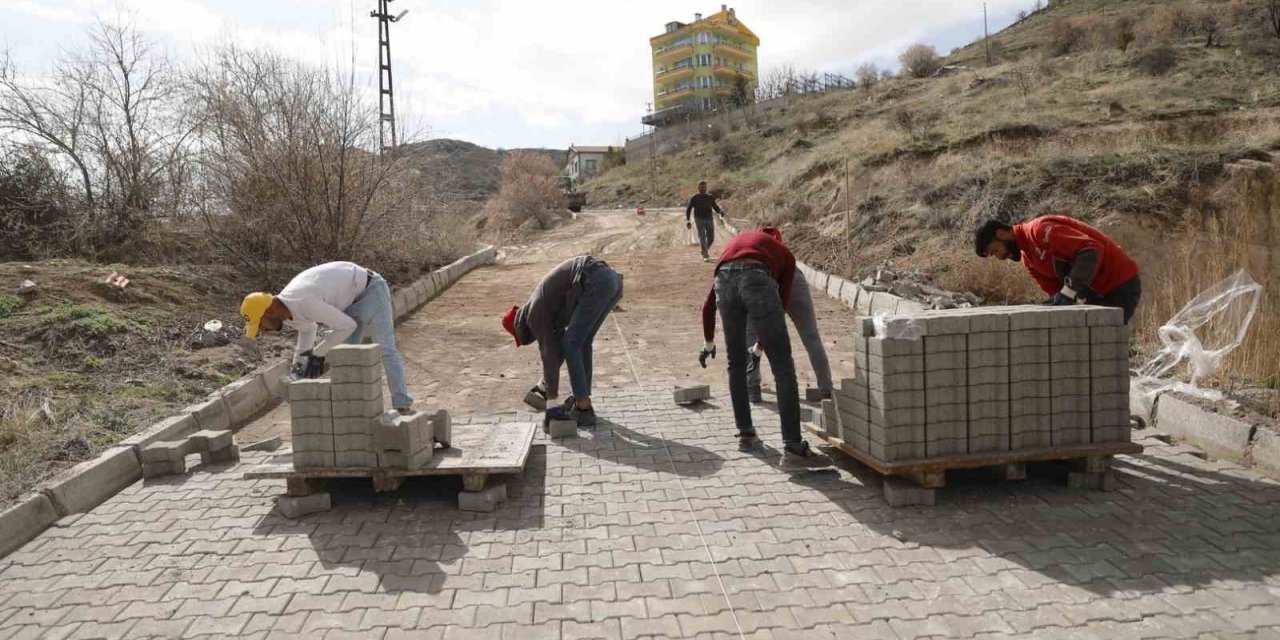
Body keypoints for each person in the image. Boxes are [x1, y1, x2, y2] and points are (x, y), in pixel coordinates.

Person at [699, 226, 828, 464]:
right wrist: (762, 345)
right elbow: (782, 302)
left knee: (735, 364)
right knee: (782, 367)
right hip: (756, 277)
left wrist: (708, 343)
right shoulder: (785, 255)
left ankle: (746, 436)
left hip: (723, 278)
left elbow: (708, 305)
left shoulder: (734, 247)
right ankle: (793, 448)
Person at [240, 261, 414, 412]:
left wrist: (318, 353)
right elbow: (308, 330)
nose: (262, 330)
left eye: (261, 324)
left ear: (270, 311)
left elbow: (347, 326)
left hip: (371, 290)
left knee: (386, 348)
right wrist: (298, 368)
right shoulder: (287, 310)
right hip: (349, 300)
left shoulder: (304, 302)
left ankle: (402, 404)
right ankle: (354, 408)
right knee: (348, 356)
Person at [503, 255, 624, 427]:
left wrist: (552, 405)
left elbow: (549, 353)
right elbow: (557, 352)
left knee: (572, 343)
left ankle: (583, 406)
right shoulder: (547, 308)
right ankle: (582, 403)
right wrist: (545, 385)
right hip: (611, 280)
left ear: (518, 328)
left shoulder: (534, 314)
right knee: (581, 342)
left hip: (594, 280)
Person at [974, 215, 1142, 323]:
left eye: (995, 251)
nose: (1000, 258)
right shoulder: (1030, 261)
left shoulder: (1039, 230)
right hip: (1097, 296)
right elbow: (1059, 296)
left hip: (1120, 283)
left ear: (1002, 234)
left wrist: (1068, 292)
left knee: (1106, 344)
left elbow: (1090, 251)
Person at [743, 227, 833, 403]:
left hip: (766, 283)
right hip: (794, 282)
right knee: (811, 337)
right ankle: (827, 390)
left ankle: (753, 388)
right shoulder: (785, 256)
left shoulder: (751, 256)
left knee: (751, 333)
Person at [685, 180, 724, 261]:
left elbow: (715, 207)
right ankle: (705, 255)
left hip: (709, 218)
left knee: (711, 238)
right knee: (702, 237)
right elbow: (688, 209)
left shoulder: (709, 197)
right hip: (699, 219)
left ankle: (704, 251)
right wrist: (688, 220)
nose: (703, 188)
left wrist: (720, 211)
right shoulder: (695, 198)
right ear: (698, 187)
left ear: (706, 187)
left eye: (704, 186)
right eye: (701, 186)